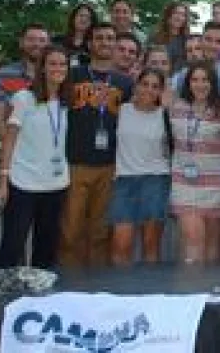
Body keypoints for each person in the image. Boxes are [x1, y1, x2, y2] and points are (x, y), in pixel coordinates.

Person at [60, 22, 134, 268]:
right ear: (90, 44)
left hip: (110, 165)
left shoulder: (125, 82)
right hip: (75, 162)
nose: (105, 42)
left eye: (110, 38)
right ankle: (70, 285)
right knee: (70, 232)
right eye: (99, 38)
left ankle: (97, 288)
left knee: (101, 232)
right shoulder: (72, 75)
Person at [0, 47, 71, 269]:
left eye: (62, 64)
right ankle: (1, 295)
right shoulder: (24, 98)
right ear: (43, 69)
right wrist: (3, 178)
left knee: (46, 248)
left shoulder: (67, 102)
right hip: (23, 183)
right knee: (13, 246)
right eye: (52, 64)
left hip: (55, 184)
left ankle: (41, 296)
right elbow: (9, 138)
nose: (58, 69)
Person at [108, 68, 172, 266]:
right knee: (121, 244)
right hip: (124, 180)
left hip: (155, 180)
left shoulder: (165, 115)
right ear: (136, 85)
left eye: (155, 87)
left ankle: (148, 291)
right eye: (145, 84)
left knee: (151, 245)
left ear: (162, 91)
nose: (149, 90)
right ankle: (121, 293)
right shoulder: (121, 110)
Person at [169, 61, 220, 263]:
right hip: (184, 183)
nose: (200, 84)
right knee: (193, 240)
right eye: (195, 80)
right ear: (188, 83)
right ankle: (191, 291)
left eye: (205, 80)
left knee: (213, 244)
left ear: (212, 84)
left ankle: (209, 291)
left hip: (216, 184)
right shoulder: (175, 107)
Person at [0, 23, 49, 141]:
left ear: (48, 45)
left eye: (42, 40)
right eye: (31, 39)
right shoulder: (4, 74)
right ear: (21, 43)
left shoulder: (57, 74)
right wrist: (10, 152)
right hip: (18, 148)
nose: (36, 44)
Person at [171, 22, 220, 98]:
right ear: (201, 41)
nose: (212, 46)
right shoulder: (182, 76)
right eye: (208, 40)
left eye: (218, 41)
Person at [149, 1, 190, 72]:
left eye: (183, 15)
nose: (179, 17)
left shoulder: (187, 40)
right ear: (168, 15)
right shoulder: (155, 37)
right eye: (175, 13)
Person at [56, 3, 97, 68]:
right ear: (73, 18)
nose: (84, 19)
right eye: (81, 15)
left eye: (87, 17)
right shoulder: (58, 40)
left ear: (92, 22)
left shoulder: (95, 43)